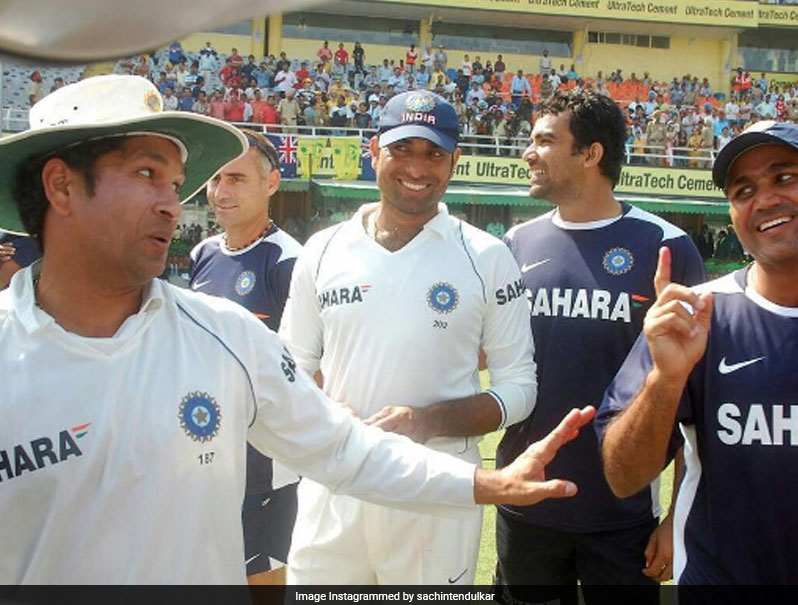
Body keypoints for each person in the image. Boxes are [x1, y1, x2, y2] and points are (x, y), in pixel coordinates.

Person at [0, 74, 594, 585]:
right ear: (60, 185)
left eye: (175, 185)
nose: (172, 205)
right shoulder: (320, 253)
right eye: (147, 173)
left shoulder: (226, 338)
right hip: (332, 516)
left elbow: (339, 444)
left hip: (426, 509)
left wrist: (480, 477)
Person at [279, 90, 539, 585]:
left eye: (434, 154)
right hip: (336, 483)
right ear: (374, 151)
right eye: (403, 149)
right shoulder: (322, 250)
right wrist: (330, 415)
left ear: (454, 162)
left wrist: (429, 420)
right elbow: (288, 366)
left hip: (438, 491)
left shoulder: (487, 257)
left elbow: (520, 388)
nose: (418, 167)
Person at [495, 91, 706, 605]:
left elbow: (695, 398)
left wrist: (677, 513)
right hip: (525, 499)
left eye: (545, 140)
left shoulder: (666, 246)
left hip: (622, 514)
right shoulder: (515, 245)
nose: (528, 152)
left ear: (590, 154)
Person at [597, 120, 798, 585]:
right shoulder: (698, 316)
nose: (765, 199)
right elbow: (622, 476)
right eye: (743, 189)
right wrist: (665, 382)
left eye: (785, 177)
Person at [189, 130, 302, 586]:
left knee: (262, 584)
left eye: (236, 178)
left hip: (265, 465)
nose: (221, 191)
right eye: (216, 179)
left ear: (271, 183)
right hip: (211, 456)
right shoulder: (203, 254)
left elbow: (304, 371)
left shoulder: (289, 262)